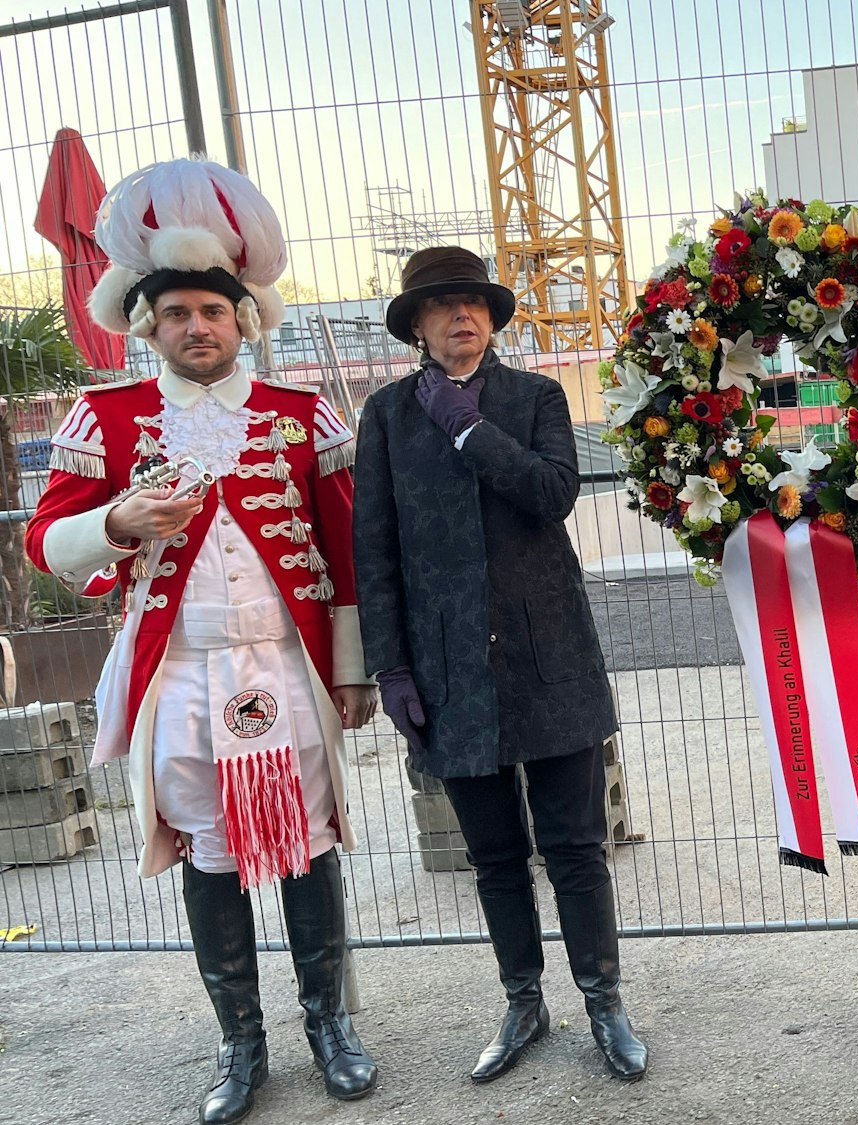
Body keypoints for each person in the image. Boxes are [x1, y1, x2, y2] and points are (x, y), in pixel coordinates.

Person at [27, 159, 379, 1124]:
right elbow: (44, 541)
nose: (195, 326)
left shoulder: (307, 416)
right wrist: (120, 520)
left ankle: (329, 1028)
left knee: (307, 844)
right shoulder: (103, 419)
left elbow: (345, 547)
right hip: (177, 669)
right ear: (148, 323)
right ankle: (241, 1043)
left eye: (212, 312)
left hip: (287, 663)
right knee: (209, 854)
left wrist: (351, 669)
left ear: (243, 319)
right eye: (175, 311)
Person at [351, 246, 644, 1081]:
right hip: (448, 673)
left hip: (549, 654)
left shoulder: (535, 397)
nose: (460, 316)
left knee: (577, 846)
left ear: (491, 315)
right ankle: (523, 1000)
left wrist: (469, 426)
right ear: (416, 325)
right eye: (440, 306)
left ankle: (604, 1001)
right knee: (493, 856)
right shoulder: (385, 418)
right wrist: (391, 668)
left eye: (472, 302)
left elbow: (553, 492)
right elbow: (374, 550)